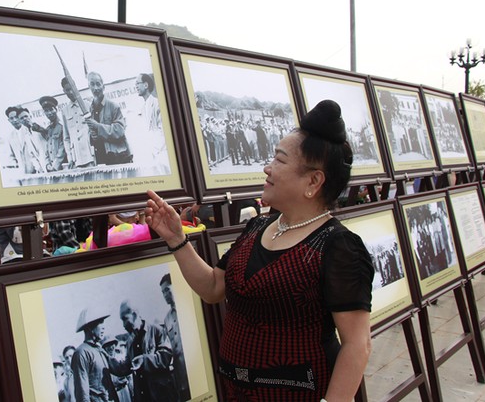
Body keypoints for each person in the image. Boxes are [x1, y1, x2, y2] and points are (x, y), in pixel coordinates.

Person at [144, 99, 374, 401]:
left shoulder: (338, 247)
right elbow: (213, 287)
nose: (267, 168)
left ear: (313, 181)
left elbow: (357, 344)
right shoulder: (257, 228)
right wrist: (176, 238)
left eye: (279, 160)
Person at [114, 300, 176, 402]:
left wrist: (144, 360)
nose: (123, 325)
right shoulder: (130, 341)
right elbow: (126, 366)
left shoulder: (157, 331)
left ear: (134, 314)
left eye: (125, 319)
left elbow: (166, 356)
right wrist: (107, 360)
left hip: (161, 396)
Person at [84, 71, 132, 165]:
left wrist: (98, 126)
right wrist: (92, 136)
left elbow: (119, 130)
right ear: (89, 87)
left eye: (98, 84)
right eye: (92, 84)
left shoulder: (113, 106)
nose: (96, 88)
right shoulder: (91, 109)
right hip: (100, 157)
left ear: (103, 86)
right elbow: (91, 131)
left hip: (118, 157)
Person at [71, 307, 118, 402]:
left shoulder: (100, 349)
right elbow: (82, 393)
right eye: (100, 322)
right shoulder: (81, 353)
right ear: (89, 328)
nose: (104, 326)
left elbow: (118, 368)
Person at [159, 273, 190, 402]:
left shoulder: (190, 305)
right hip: (181, 378)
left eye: (167, 289)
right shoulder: (167, 319)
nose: (165, 295)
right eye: (163, 292)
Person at [59, 77, 96, 169]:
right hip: (76, 157)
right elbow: (66, 138)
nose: (71, 92)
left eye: (72, 88)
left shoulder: (87, 105)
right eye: (68, 90)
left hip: (90, 153)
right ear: (64, 91)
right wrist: (70, 157)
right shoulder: (65, 111)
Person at [38, 95, 67, 171]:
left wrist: (55, 165)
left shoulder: (62, 126)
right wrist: (47, 164)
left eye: (51, 109)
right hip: (51, 168)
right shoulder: (48, 129)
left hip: (62, 167)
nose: (49, 113)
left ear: (56, 109)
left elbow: (63, 148)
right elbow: (47, 149)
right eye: (46, 111)